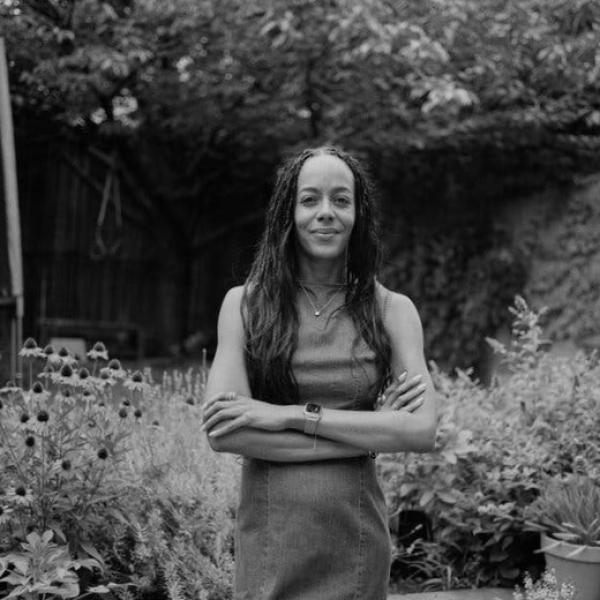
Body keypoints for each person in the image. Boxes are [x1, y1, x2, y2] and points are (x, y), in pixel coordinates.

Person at [202, 146, 437, 600]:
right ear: (287, 213)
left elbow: (421, 429)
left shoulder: (393, 311)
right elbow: (224, 433)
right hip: (271, 539)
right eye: (310, 200)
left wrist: (287, 415)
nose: (325, 213)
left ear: (358, 213)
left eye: (341, 200)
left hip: (356, 544)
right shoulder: (244, 305)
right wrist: (368, 434)